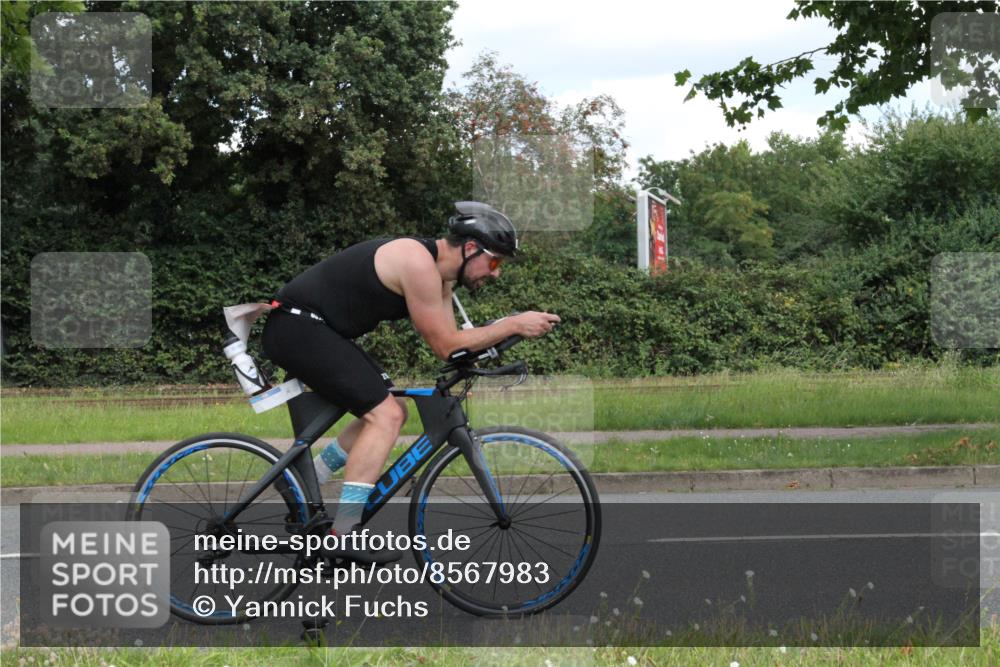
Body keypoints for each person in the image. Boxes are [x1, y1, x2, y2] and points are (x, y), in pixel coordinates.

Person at [261, 202, 560, 537]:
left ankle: (309, 477)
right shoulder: (418, 264)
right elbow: (447, 344)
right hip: (297, 327)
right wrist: (513, 324)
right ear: (471, 248)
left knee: (395, 410)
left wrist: (500, 339)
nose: (496, 272)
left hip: (317, 330)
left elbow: (453, 347)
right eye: (494, 261)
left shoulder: (442, 280)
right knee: (385, 415)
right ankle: (343, 532)